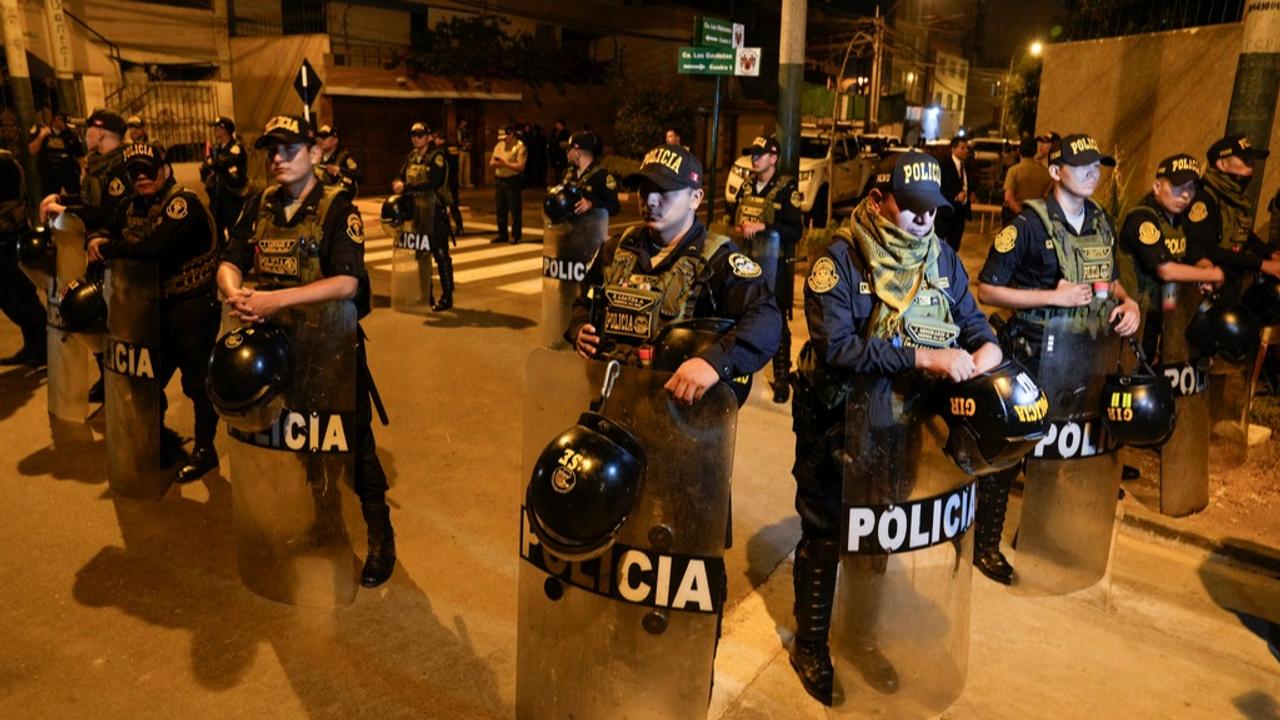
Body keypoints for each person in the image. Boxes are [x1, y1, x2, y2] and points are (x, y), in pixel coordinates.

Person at [789, 151, 1002, 705]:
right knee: (828, 532)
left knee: (880, 531)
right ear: (878, 200)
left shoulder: (943, 260)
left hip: (903, 427)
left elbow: (975, 324)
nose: (924, 220)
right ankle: (811, 644)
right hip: (839, 425)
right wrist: (923, 359)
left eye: (932, 210)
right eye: (911, 209)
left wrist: (987, 351)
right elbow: (836, 349)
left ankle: (858, 639)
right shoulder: (840, 262)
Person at [219, 114, 395, 588]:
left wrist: (273, 299)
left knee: (354, 449)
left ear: (315, 154)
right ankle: (325, 522)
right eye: (271, 150)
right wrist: (234, 292)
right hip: (280, 353)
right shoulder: (260, 204)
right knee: (306, 445)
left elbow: (346, 282)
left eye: (289, 149)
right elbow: (231, 259)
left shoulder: (339, 208)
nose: (278, 159)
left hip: (331, 349)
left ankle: (380, 538)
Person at [975, 133, 1141, 584]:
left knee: (1065, 451)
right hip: (1032, 352)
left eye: (1097, 164)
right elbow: (987, 289)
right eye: (1082, 164)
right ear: (1054, 172)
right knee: (1012, 454)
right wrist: (1054, 296)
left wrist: (1130, 305)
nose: (1093, 171)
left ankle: (1044, 533)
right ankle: (985, 545)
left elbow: (1112, 278)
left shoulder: (1100, 221)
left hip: (1085, 355)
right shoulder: (1027, 226)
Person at [566, 143, 782, 405]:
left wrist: (714, 362)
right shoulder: (616, 249)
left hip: (679, 424)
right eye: (644, 189)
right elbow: (585, 302)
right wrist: (579, 329)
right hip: (612, 407)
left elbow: (766, 320)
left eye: (664, 190)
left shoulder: (718, 260)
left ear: (696, 198)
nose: (650, 200)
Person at [86, 143, 220, 482]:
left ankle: (205, 450)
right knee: (146, 378)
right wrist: (98, 238)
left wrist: (108, 248)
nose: (142, 177)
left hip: (191, 307)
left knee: (196, 383)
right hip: (151, 308)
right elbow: (108, 225)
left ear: (166, 169)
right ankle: (156, 441)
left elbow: (153, 250)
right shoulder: (133, 204)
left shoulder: (182, 204)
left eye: (148, 169)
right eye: (135, 172)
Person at [40, 109, 132, 404]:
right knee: (92, 316)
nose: (85, 134)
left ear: (102, 133)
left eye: (89, 130)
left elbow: (108, 212)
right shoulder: (99, 163)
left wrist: (67, 211)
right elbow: (93, 200)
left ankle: (120, 383)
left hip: (111, 254)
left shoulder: (121, 167)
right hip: (92, 251)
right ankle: (106, 380)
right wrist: (63, 200)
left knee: (113, 320)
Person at [1118, 153, 1225, 357]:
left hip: (1166, 314)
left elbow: (1193, 251)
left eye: (1191, 187)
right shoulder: (1142, 217)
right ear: (1157, 186)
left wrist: (1204, 266)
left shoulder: (1178, 218)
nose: (1185, 195)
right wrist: (1214, 275)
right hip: (1135, 317)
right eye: (1178, 186)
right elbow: (1166, 270)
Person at [723, 134, 803, 403]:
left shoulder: (785, 189)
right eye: (753, 154)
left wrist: (764, 228)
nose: (754, 159)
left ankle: (781, 378)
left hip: (775, 266)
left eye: (760, 154)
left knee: (777, 317)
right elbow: (733, 214)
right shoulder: (746, 186)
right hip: (746, 264)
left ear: (773, 158)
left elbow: (795, 230)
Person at [1184, 134, 1280, 292]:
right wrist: (1260, 264)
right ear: (1222, 164)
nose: (1251, 168)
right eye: (1245, 161)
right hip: (1207, 288)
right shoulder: (1205, 199)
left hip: (1229, 282)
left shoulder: (1231, 197)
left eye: (1252, 161)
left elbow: (1240, 235)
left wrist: (1269, 253)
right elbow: (1206, 250)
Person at [393, 122, 454, 311]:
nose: (415, 138)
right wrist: (397, 183)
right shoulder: (411, 157)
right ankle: (425, 294)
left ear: (428, 137)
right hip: (417, 212)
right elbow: (400, 176)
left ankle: (447, 296)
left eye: (419, 134)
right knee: (421, 253)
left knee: (440, 253)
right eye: (413, 134)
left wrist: (407, 187)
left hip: (434, 210)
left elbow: (433, 182)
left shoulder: (437, 156)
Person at [0, 149, 46, 366]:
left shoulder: (5, 163)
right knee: (8, 297)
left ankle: (44, 346)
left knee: (22, 295)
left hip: (11, 237)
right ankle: (33, 346)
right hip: (5, 237)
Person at [200, 116, 249, 245]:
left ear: (226, 130)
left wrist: (212, 163)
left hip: (231, 194)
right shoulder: (216, 149)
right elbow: (206, 166)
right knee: (216, 227)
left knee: (234, 227)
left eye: (218, 127)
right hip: (216, 194)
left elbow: (222, 162)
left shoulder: (236, 147)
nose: (215, 130)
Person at [561, 131, 620, 217]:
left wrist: (591, 205)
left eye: (569, 149)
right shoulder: (568, 173)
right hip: (568, 228)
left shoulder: (601, 176)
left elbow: (614, 207)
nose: (567, 153)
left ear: (578, 152)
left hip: (591, 228)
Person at [28, 111, 83, 198]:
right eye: (63, 122)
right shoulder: (41, 130)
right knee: (50, 199)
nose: (66, 125)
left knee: (75, 197)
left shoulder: (71, 133)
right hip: (49, 173)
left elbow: (80, 155)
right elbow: (32, 150)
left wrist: (82, 174)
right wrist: (42, 135)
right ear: (57, 119)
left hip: (68, 171)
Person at [1003, 137, 1053, 224]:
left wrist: (1022, 214)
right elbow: (1048, 197)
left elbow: (1008, 198)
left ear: (1019, 151)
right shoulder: (1045, 172)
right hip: (1037, 215)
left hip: (1015, 216)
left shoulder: (1013, 171)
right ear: (1035, 152)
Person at [490, 127, 527, 244]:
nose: (503, 140)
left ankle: (516, 235)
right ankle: (502, 234)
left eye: (505, 137)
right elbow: (492, 163)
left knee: (515, 209)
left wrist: (504, 163)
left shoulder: (520, 147)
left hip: (513, 181)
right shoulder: (499, 145)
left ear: (511, 134)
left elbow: (520, 166)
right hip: (500, 180)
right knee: (500, 209)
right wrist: (506, 164)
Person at [937, 136, 973, 253]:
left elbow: (969, 184)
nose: (966, 151)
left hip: (960, 214)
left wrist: (970, 195)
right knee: (939, 245)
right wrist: (954, 197)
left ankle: (949, 267)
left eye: (967, 148)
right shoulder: (944, 165)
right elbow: (939, 187)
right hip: (945, 212)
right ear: (953, 149)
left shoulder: (967, 165)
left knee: (954, 247)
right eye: (962, 148)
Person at [314, 124, 364, 197]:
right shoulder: (318, 157)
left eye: (324, 137)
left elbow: (359, 175)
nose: (320, 140)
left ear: (335, 140)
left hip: (338, 198)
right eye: (319, 137)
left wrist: (339, 170)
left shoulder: (343, 157)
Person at [434, 127, 464, 234]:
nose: (434, 141)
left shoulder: (440, 150)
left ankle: (446, 228)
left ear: (438, 138)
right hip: (453, 179)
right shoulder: (453, 147)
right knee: (454, 205)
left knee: (443, 205)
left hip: (444, 182)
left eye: (435, 139)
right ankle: (459, 227)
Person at [548, 118, 570, 184]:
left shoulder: (565, 133)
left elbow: (564, 144)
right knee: (556, 171)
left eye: (557, 124)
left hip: (562, 155)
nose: (556, 125)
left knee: (561, 171)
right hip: (555, 155)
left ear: (560, 124)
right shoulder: (555, 132)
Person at [456, 117, 474, 189]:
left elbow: (470, 139)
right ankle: (460, 183)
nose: (465, 123)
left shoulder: (467, 130)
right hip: (461, 150)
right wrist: (464, 145)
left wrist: (469, 145)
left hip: (467, 150)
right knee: (460, 168)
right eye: (464, 121)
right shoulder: (458, 130)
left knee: (467, 167)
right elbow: (458, 140)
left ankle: (467, 182)